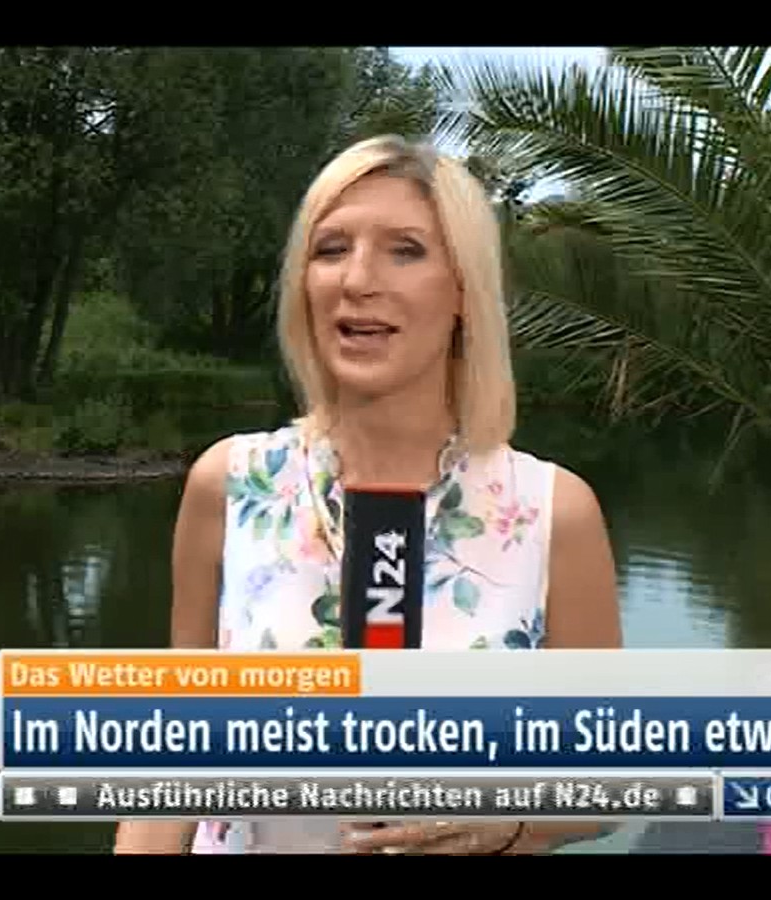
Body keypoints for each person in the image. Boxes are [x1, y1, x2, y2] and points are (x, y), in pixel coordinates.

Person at [112, 135, 623, 854]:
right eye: (330, 249)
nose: (357, 279)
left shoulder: (551, 512)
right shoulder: (228, 484)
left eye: (404, 250)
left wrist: (508, 822)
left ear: (464, 292)